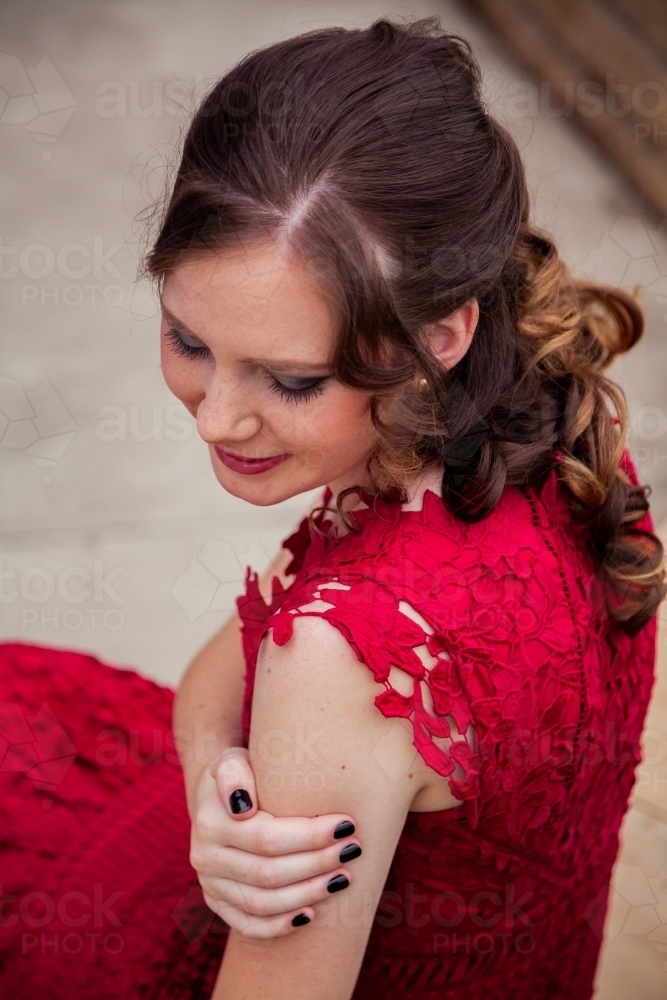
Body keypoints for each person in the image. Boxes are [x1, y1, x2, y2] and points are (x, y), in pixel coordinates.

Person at [0, 16, 664, 1000]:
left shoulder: (344, 656)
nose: (217, 415)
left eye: (291, 379)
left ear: (438, 334)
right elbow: (214, 675)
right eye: (188, 337)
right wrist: (212, 791)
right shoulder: (552, 440)